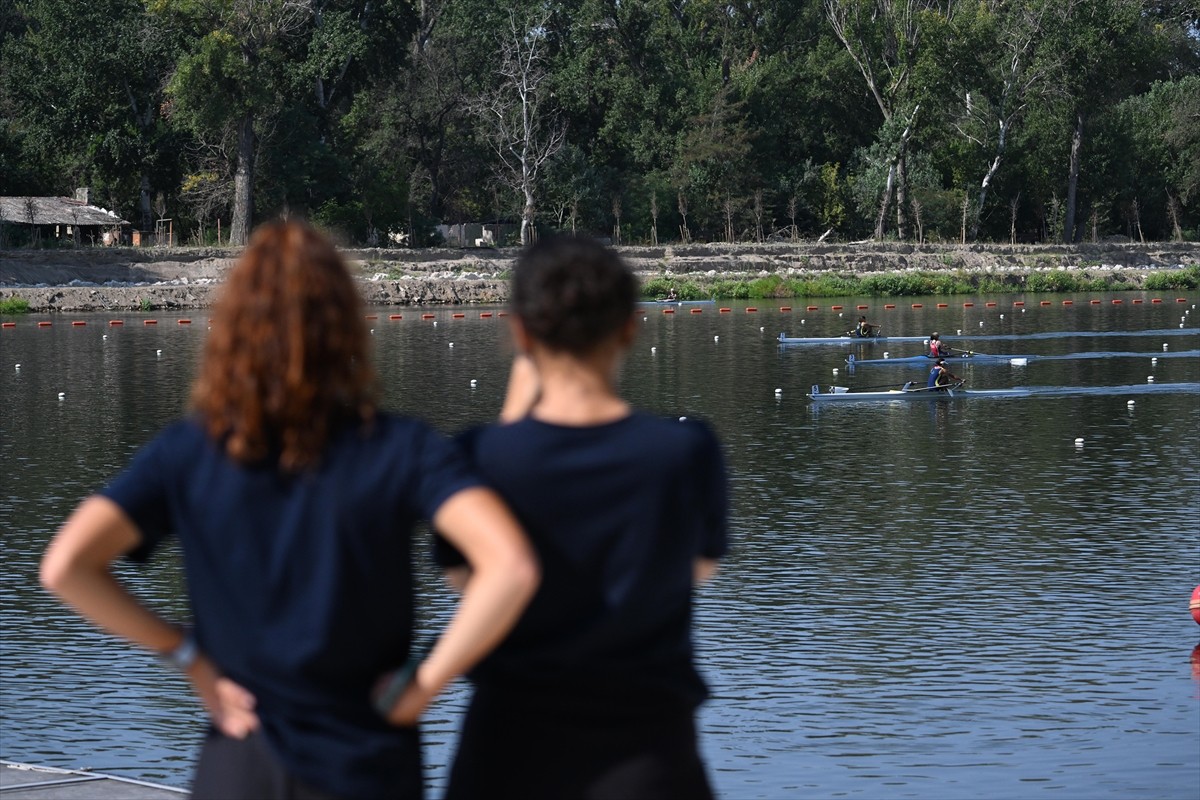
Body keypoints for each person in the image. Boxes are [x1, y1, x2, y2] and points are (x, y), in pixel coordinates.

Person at [40, 220, 539, 800]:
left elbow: (66, 566)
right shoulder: (403, 449)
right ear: (347, 325)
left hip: (241, 757)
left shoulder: (189, 452)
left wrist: (188, 656)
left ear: (232, 329)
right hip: (364, 758)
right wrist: (425, 682)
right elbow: (510, 567)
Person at [436, 235, 728, 800]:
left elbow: (473, 581)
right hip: (648, 753)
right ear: (629, 329)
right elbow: (694, 570)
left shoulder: (478, 458)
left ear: (521, 334)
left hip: (508, 751)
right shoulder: (687, 452)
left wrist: (511, 425)